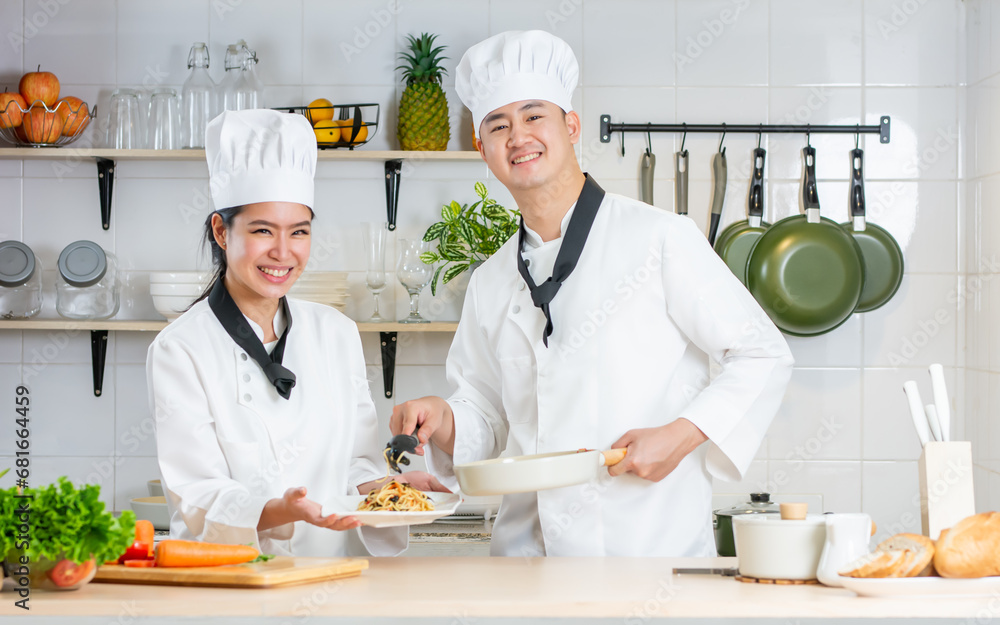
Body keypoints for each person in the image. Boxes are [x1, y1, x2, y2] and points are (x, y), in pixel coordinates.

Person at [390, 31, 794, 557]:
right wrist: (442, 418)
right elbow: (486, 414)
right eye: (498, 124)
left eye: (534, 116)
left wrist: (682, 433)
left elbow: (762, 353)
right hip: (526, 563)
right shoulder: (490, 280)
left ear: (571, 126)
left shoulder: (660, 238)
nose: (518, 136)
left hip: (650, 555)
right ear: (482, 148)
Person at [148, 108, 446, 558]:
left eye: (299, 232)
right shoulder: (180, 349)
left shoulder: (336, 333)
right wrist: (281, 509)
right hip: (230, 585)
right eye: (262, 230)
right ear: (221, 231)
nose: (283, 253)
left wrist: (389, 488)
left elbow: (356, 463)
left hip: (328, 581)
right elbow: (196, 494)